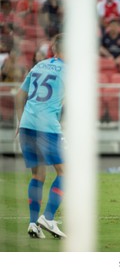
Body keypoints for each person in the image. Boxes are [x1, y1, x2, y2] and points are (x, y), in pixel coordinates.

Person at [15, 33, 66, 239]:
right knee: (66, 173)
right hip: (47, 128)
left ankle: (33, 223)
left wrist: (20, 122)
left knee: (38, 175)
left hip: (27, 124)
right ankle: (48, 217)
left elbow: (20, 95)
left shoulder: (39, 65)